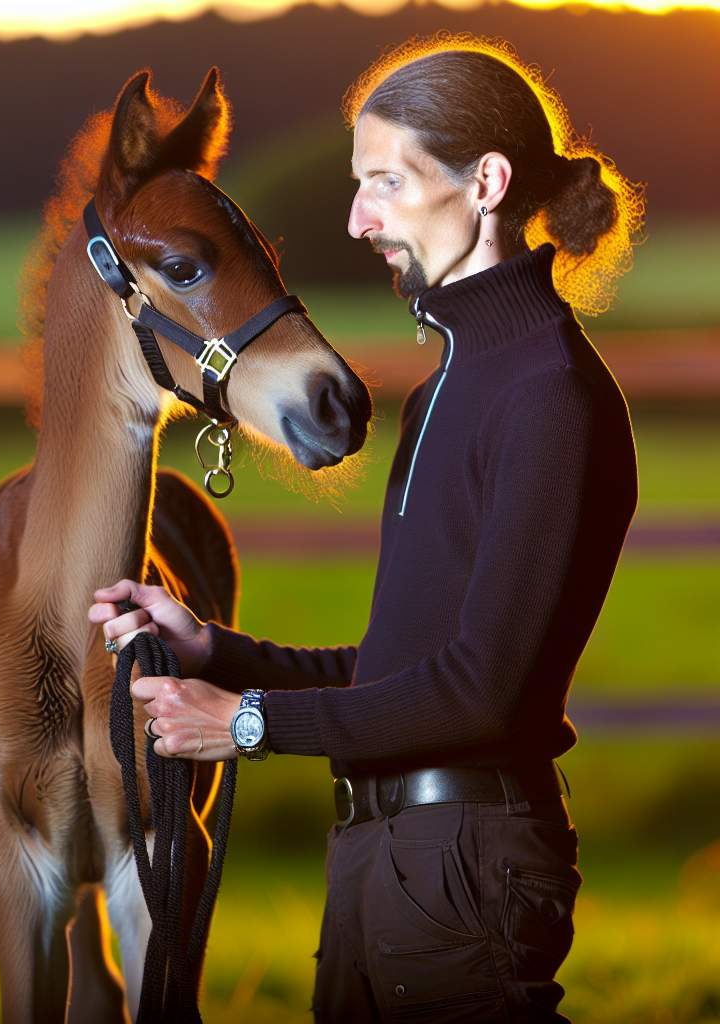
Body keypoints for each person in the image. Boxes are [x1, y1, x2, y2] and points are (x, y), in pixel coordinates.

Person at [88, 36, 642, 1022]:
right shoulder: (449, 386)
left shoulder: (549, 396)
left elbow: (479, 691)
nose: (357, 219)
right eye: (358, 184)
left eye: (384, 181)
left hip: (464, 864)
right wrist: (216, 653)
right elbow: (399, 664)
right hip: (380, 855)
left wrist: (245, 725)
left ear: (486, 182)